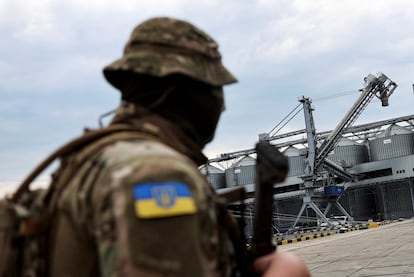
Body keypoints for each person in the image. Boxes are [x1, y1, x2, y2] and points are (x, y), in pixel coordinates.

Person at [19, 17, 310, 276]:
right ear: (181, 88)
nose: (220, 104)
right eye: (214, 88)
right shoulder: (152, 173)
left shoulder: (92, 162)